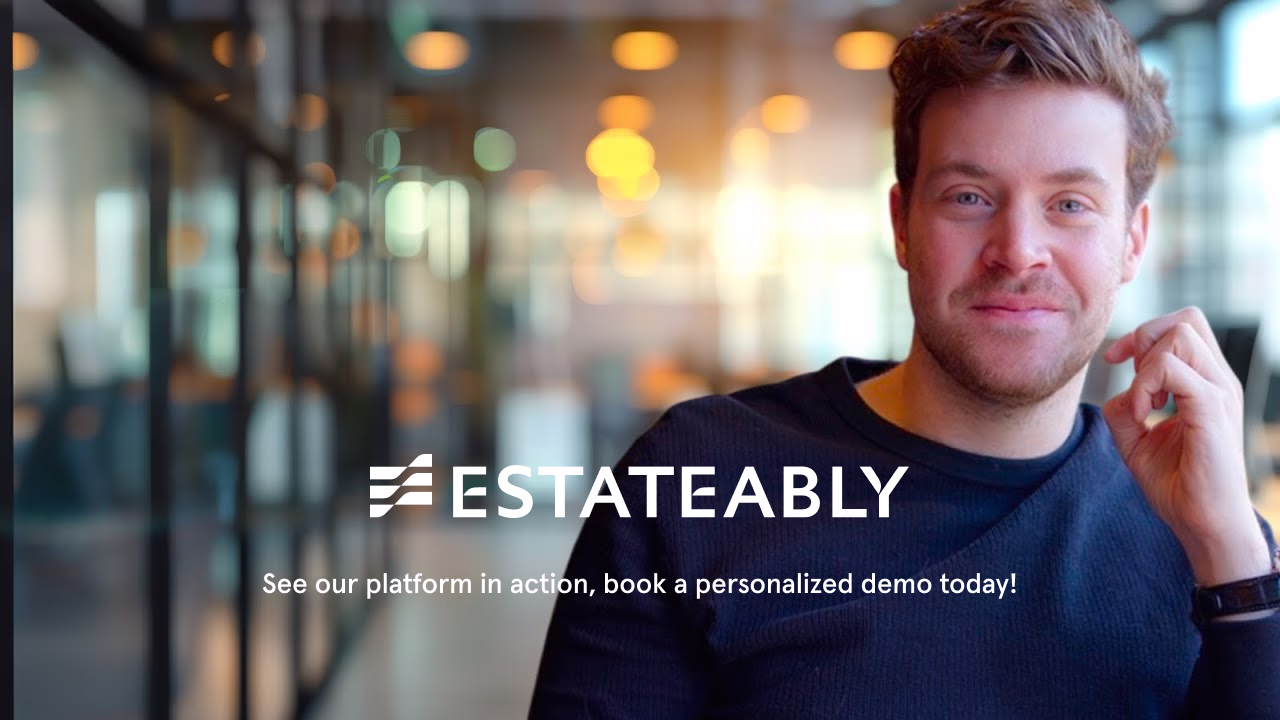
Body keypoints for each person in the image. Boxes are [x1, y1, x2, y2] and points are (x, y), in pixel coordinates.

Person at [528, 0, 1280, 716]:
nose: (1018, 251)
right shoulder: (696, 478)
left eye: (1070, 204)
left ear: (1133, 242)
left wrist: (1234, 559)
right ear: (901, 224)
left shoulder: (1208, 542)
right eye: (968, 197)